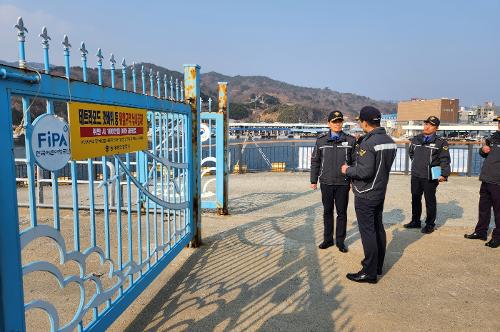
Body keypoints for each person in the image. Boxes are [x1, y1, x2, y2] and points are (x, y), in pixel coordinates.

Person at [341, 106, 396, 284]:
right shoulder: (388, 140)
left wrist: (347, 170)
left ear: (365, 122)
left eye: (360, 121)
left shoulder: (368, 142)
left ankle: (369, 271)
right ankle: (378, 265)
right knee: (378, 228)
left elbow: (364, 171)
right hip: (380, 190)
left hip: (366, 192)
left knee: (368, 232)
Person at [310, 111, 356, 253]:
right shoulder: (321, 141)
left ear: (342, 123)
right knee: (327, 212)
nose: (337, 124)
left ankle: (340, 242)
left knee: (342, 213)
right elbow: (315, 161)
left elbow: (355, 162)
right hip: (326, 182)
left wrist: (352, 180)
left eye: (339, 121)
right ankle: (328, 239)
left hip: (343, 183)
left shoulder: (350, 140)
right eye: (334, 121)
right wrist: (314, 179)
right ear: (328, 123)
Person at [404, 116, 451, 234]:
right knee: (415, 198)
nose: (427, 126)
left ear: (436, 128)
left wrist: (443, 174)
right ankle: (415, 221)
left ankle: (430, 224)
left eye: (430, 125)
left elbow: (444, 159)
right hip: (416, 174)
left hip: (431, 175)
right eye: (426, 124)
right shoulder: (416, 139)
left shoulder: (441, 142)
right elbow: (411, 153)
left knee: (429, 200)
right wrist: (417, 164)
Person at [464, 116, 500, 248]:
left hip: (498, 181)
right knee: (483, 209)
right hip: (486, 179)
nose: (499, 125)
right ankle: (480, 232)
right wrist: (482, 150)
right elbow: (484, 154)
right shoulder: (493, 138)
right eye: (499, 123)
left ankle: (497, 237)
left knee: (498, 212)